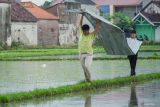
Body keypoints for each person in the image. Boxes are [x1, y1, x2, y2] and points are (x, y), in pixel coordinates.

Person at [79, 13, 101, 82]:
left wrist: (98, 21)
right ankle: (87, 80)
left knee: (86, 67)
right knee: (84, 69)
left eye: (86, 31)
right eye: (84, 31)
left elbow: (97, 28)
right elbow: (80, 24)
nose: (85, 32)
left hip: (89, 54)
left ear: (88, 30)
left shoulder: (91, 35)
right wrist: (82, 15)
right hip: (81, 54)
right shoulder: (81, 34)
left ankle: (90, 80)